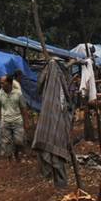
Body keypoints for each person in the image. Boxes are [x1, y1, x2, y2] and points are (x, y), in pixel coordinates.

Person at [31, 59, 73, 188]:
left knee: (57, 155)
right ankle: (59, 184)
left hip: (59, 121)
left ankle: (61, 184)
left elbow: (38, 87)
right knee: (54, 152)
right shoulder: (55, 78)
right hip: (55, 120)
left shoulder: (58, 80)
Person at [0, 74, 29, 160]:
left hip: (17, 120)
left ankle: (16, 152)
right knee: (6, 142)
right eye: (0, 83)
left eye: (2, 83)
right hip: (5, 121)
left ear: (9, 83)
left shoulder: (18, 94)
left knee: (19, 141)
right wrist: (0, 120)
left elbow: (23, 108)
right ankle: (10, 159)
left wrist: (26, 122)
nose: (1, 85)